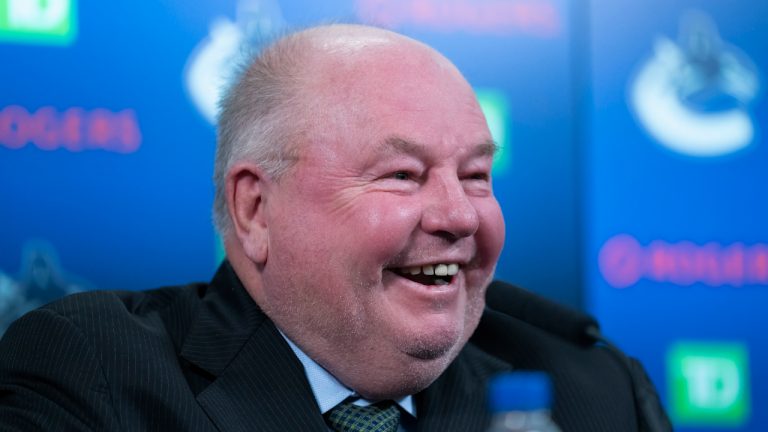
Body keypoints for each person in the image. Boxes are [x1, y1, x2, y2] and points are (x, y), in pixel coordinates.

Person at [0, 24, 669, 431]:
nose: (460, 216)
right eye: (402, 175)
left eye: (476, 176)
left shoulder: (594, 392)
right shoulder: (92, 371)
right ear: (256, 211)